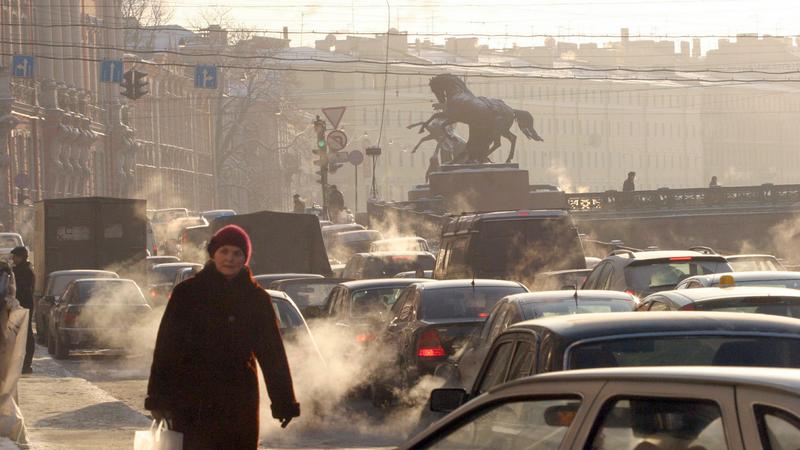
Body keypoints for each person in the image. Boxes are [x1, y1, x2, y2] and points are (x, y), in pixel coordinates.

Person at [145, 225, 300, 449]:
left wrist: (284, 401)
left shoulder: (256, 298)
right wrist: (158, 397)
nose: (230, 258)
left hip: (239, 402)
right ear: (213, 253)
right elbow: (166, 349)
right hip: (192, 400)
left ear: (245, 258)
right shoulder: (187, 294)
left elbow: (272, 353)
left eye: (237, 253)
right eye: (224, 251)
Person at [11, 247, 33, 374]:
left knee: (26, 333)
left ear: (21, 257)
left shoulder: (25, 271)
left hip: (25, 305)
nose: (13, 259)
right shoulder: (19, 269)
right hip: (21, 305)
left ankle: (26, 364)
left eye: (15, 256)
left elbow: (22, 290)